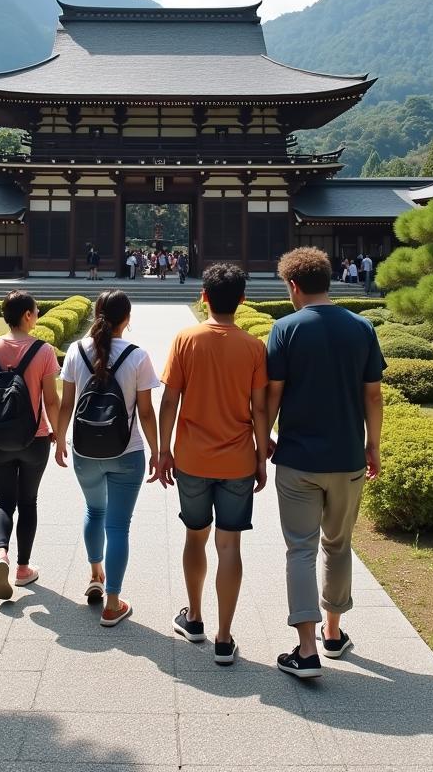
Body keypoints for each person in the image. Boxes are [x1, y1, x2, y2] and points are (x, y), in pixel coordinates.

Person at [266, 247, 384, 679]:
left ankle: (306, 650)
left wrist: (264, 440)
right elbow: (373, 394)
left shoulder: (285, 329)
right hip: (348, 456)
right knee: (338, 545)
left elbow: (272, 394)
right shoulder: (362, 327)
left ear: (293, 285)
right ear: (329, 280)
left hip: (297, 457)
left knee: (301, 548)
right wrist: (374, 446)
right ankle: (333, 633)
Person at [158, 263, 270, 665]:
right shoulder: (254, 347)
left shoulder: (186, 340)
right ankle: (224, 638)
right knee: (229, 544)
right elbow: (259, 409)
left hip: (191, 456)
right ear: (242, 300)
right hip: (238, 458)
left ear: (203, 296)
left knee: (195, 536)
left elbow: (169, 400)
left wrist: (162, 449)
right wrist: (260, 456)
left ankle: (195, 618)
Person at [55, 290, 161, 627]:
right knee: (117, 526)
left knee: (94, 511)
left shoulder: (75, 351)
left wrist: (59, 439)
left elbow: (66, 404)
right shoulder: (138, 355)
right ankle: (113, 603)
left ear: (97, 313)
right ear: (127, 319)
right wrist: (158, 452)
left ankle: (95, 575)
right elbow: (145, 412)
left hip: (84, 451)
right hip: (127, 452)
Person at [0, 291, 61, 601]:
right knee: (28, 502)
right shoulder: (43, 351)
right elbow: (51, 399)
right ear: (27, 315)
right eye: (36, 310)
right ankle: (23, 569)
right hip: (34, 439)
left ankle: (1, 555)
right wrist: (60, 437)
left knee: (3, 501)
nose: (37, 314)